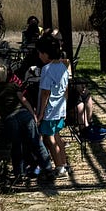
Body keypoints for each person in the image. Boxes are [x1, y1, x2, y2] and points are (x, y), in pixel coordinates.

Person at [0, 60, 48, 183]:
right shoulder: (13, 85)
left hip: (11, 119)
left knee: (16, 146)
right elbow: (23, 100)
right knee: (36, 142)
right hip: (25, 115)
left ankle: (19, 174)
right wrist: (33, 114)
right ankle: (48, 169)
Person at [35, 36, 72, 179]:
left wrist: (41, 113)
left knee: (50, 140)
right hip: (60, 108)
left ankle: (59, 167)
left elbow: (45, 93)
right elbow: (66, 90)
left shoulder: (46, 69)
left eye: (40, 53)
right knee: (57, 137)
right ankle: (64, 163)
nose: (39, 56)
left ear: (45, 53)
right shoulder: (63, 67)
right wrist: (65, 107)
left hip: (50, 110)